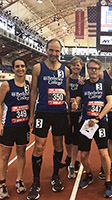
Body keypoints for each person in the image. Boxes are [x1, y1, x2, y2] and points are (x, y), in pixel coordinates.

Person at [27, 39, 70, 200]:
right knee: (39, 146)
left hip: (60, 113)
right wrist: (32, 115)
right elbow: (33, 92)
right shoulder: (38, 68)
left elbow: (66, 91)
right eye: (51, 50)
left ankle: (55, 176)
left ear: (60, 52)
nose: (54, 54)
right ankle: (36, 182)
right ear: (46, 50)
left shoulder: (65, 70)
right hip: (43, 113)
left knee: (59, 145)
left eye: (57, 51)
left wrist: (68, 111)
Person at [72, 58, 112, 198]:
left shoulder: (105, 84)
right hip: (85, 123)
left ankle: (108, 182)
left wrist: (98, 118)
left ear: (99, 69)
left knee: (103, 153)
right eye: (90, 68)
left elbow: (110, 103)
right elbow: (78, 99)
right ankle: (89, 175)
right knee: (83, 154)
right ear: (87, 69)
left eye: (95, 68)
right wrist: (75, 104)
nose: (93, 71)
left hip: (100, 122)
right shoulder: (82, 84)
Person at [0, 58, 30, 199]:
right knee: (5, 155)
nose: (20, 69)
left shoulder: (28, 85)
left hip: (22, 126)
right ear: (13, 69)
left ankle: (19, 180)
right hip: (8, 126)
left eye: (22, 66)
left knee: (21, 153)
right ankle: (2, 184)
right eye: (17, 66)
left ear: (25, 68)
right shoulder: (6, 85)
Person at [65, 56, 83, 178]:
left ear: (81, 66)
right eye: (74, 65)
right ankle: (70, 156)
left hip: (79, 112)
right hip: (67, 112)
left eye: (78, 65)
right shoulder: (66, 80)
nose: (76, 67)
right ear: (70, 67)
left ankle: (72, 164)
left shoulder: (83, 81)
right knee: (67, 136)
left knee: (76, 137)